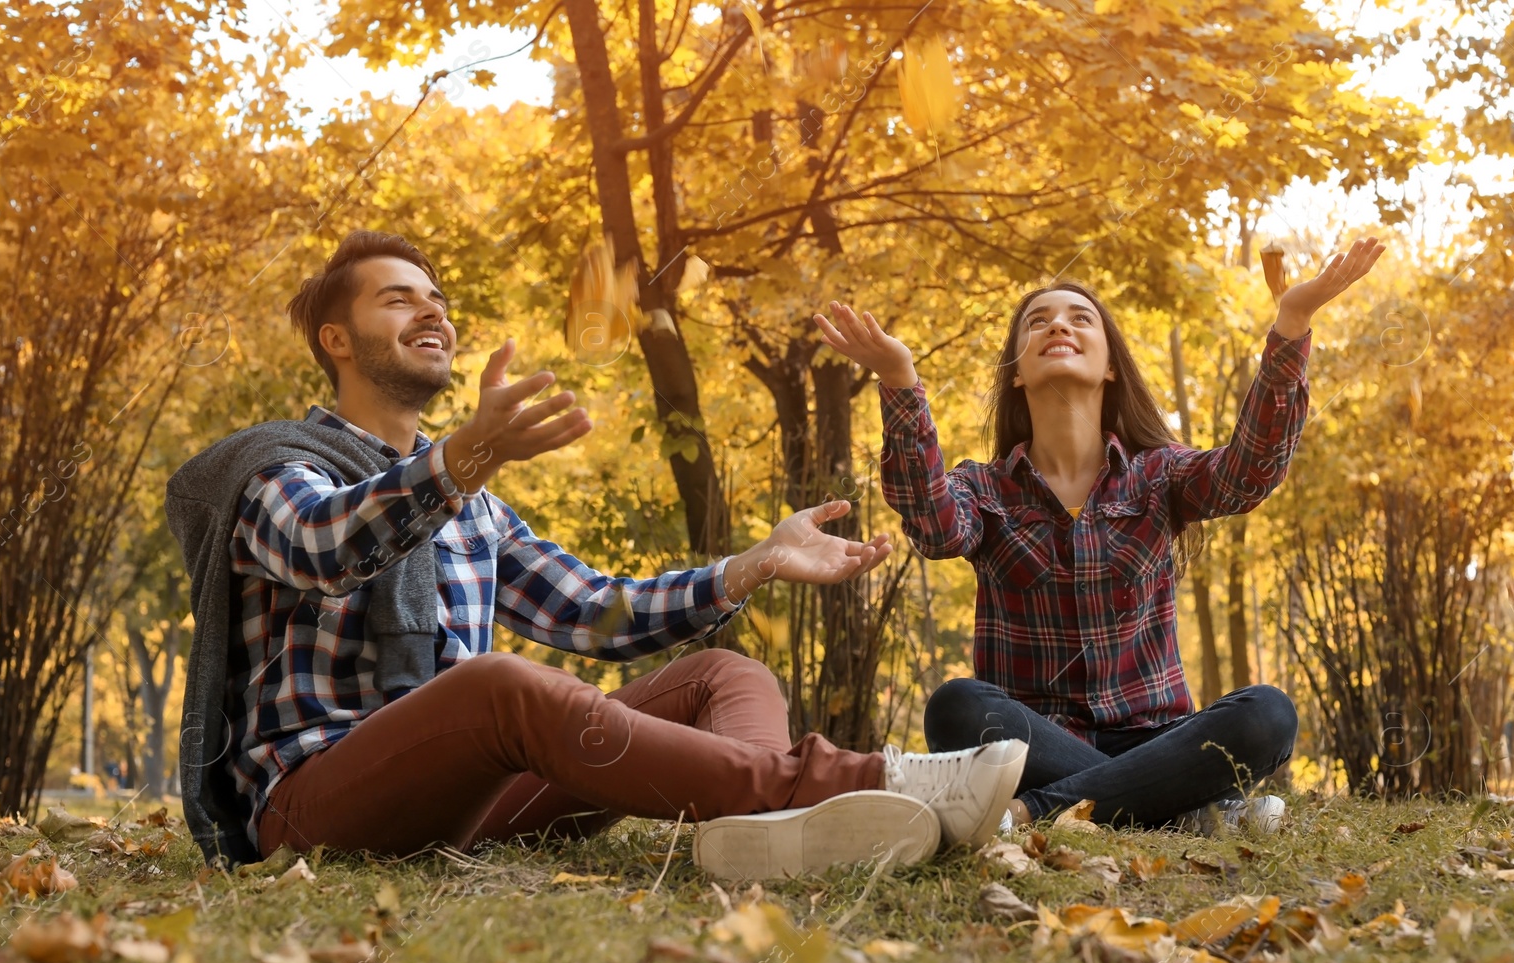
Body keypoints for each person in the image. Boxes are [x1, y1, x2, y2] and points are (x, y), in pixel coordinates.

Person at [164, 230, 1027, 882]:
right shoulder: (274, 465)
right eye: (396, 299)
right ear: (336, 340)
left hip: (465, 802)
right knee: (493, 687)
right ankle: (854, 779)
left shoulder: (475, 508)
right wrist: (461, 458)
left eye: (435, 296)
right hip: (317, 807)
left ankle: (758, 832)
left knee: (724, 676)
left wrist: (753, 564)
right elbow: (325, 547)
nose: (431, 310)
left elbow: (598, 613)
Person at [815, 238, 1386, 833]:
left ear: (1110, 363)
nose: (1057, 325)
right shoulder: (981, 489)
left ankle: (1042, 811)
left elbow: (1249, 474)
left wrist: (1291, 325)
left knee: (1267, 714)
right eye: (1038, 322)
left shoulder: (1160, 473)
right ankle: (1181, 807)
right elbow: (932, 525)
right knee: (957, 706)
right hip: (1035, 747)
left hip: (1160, 738)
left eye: (1078, 317)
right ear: (1016, 373)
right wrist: (899, 380)